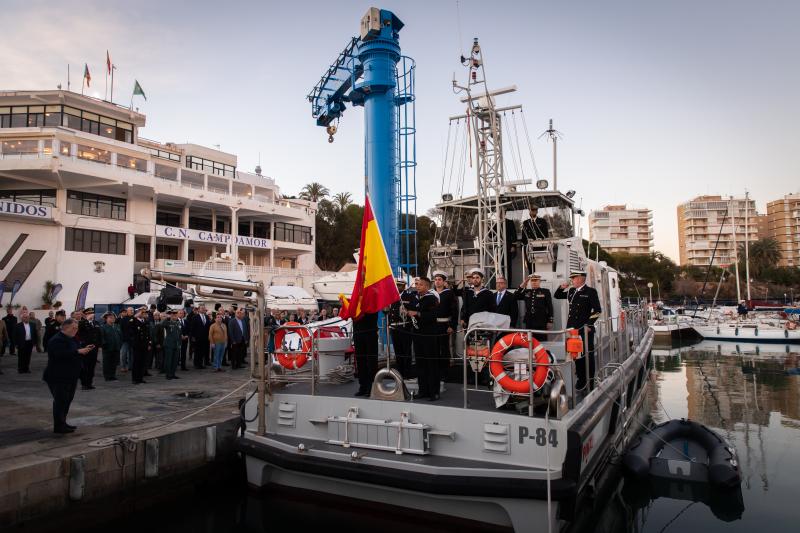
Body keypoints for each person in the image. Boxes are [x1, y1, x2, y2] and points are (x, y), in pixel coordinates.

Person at [43, 318, 95, 433]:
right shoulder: (57, 340)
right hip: (58, 376)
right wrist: (78, 352)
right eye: (74, 328)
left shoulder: (71, 339)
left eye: (77, 328)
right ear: (66, 328)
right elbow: (59, 355)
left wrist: (84, 350)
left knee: (67, 400)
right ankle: (58, 426)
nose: (76, 330)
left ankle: (63, 422)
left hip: (70, 376)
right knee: (60, 401)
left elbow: (75, 351)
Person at [554, 271, 602, 390]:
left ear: (581, 279)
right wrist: (561, 287)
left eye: (574, 278)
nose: (572, 281)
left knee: (587, 355)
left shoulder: (590, 292)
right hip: (572, 329)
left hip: (584, 330)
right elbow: (557, 295)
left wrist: (589, 325)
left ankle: (589, 381)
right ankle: (581, 380)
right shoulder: (571, 291)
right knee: (576, 355)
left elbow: (597, 311)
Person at [407, 277, 440, 400]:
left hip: (429, 335)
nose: (418, 286)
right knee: (420, 364)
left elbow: (433, 315)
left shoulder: (431, 299)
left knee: (431, 363)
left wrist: (418, 313)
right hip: (417, 334)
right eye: (417, 284)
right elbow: (409, 308)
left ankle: (434, 392)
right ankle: (423, 390)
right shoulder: (414, 298)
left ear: (426, 286)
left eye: (420, 285)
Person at [433, 272, 458, 384]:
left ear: (444, 282)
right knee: (434, 349)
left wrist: (452, 326)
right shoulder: (431, 293)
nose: (437, 281)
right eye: (436, 279)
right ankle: (436, 372)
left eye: (439, 279)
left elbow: (454, 310)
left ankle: (445, 373)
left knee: (445, 350)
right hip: (433, 325)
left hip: (445, 325)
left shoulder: (449, 294)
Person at [389, 278, 415, 378]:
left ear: (404, 286)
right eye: (396, 285)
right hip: (394, 327)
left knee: (406, 351)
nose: (397, 287)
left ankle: (407, 373)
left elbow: (414, 309)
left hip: (405, 327)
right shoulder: (392, 297)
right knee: (398, 351)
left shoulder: (409, 296)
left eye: (400, 285)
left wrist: (407, 311)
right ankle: (400, 373)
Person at [515, 274, 554, 341]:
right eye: (532, 281)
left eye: (536, 281)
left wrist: (550, 321)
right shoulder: (527, 292)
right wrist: (523, 284)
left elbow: (550, 306)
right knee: (529, 340)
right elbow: (516, 295)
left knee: (542, 340)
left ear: (539, 281)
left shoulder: (545, 291)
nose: (534, 282)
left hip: (541, 321)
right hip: (529, 321)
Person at [353, 312, 379, 397]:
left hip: (370, 331)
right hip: (358, 332)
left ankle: (371, 386)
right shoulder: (355, 300)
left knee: (371, 361)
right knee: (360, 360)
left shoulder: (372, 299)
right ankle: (363, 386)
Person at [77, 308, 101, 390]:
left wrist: (98, 345)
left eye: (92, 313)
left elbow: (98, 335)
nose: (92, 315)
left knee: (92, 366)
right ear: (85, 314)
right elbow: (78, 330)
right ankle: (84, 384)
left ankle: (89, 383)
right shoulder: (81, 323)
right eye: (89, 313)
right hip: (85, 348)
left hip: (94, 348)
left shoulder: (96, 323)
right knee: (85, 366)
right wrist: (86, 320)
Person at [130, 307, 152, 384]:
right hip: (137, 345)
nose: (145, 314)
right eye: (143, 313)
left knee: (143, 362)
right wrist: (137, 315)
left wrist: (149, 343)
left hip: (145, 345)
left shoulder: (145, 321)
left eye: (145, 313)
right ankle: (135, 379)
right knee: (136, 362)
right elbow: (130, 325)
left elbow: (148, 334)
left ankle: (140, 378)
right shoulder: (134, 321)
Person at [99, 312, 122, 381]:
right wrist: (104, 345)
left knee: (114, 363)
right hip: (108, 348)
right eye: (110, 318)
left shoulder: (117, 326)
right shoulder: (103, 327)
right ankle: (107, 376)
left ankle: (113, 375)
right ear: (106, 319)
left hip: (116, 347)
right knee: (107, 362)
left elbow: (120, 336)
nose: (113, 319)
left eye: (113, 318)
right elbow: (101, 337)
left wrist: (120, 344)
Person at [161, 310, 183, 380]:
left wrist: (180, 343)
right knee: (169, 360)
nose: (175, 316)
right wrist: (167, 317)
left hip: (176, 344)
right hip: (169, 344)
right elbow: (162, 324)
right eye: (173, 315)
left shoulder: (178, 323)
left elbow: (179, 334)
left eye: (176, 315)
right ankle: (168, 374)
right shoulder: (167, 322)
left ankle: (173, 374)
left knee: (175, 360)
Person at [118, 307, 134, 373]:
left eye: (132, 310)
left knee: (131, 354)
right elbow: (121, 329)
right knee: (123, 354)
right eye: (130, 310)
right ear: (127, 311)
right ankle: (123, 367)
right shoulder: (123, 319)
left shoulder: (135, 318)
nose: (132, 311)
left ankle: (131, 367)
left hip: (132, 339)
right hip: (125, 339)